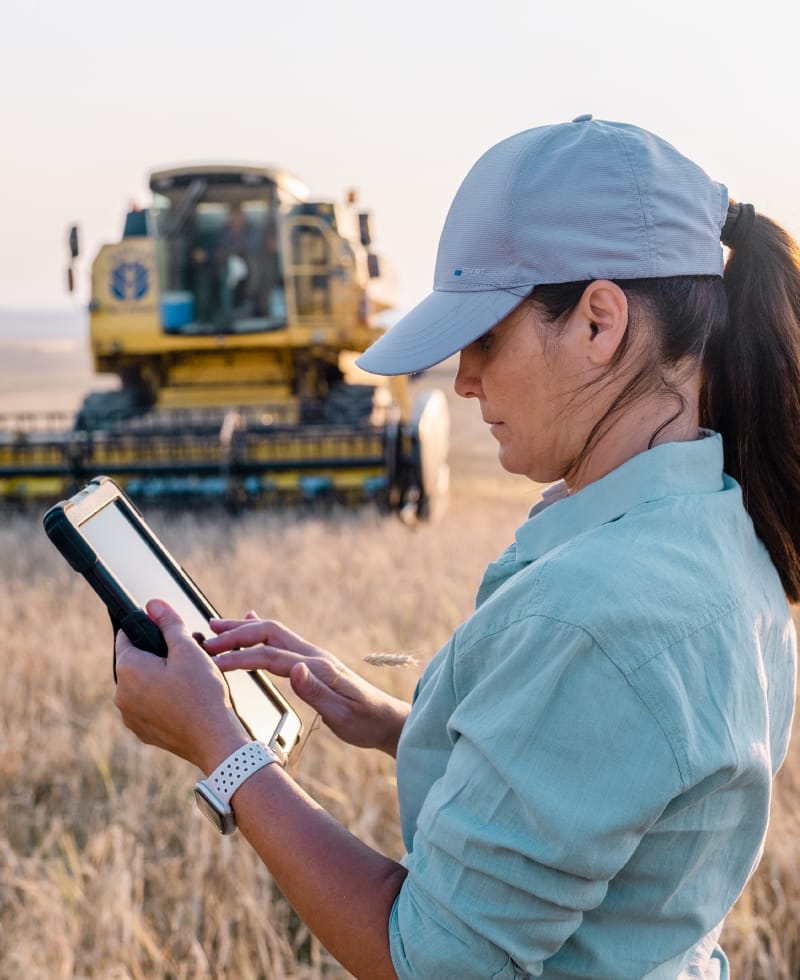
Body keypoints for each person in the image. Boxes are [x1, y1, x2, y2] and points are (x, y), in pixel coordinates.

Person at [114, 115, 800, 978]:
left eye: (484, 339)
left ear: (599, 322)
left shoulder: (594, 614)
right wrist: (405, 724)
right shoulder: (723, 526)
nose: (464, 379)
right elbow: (609, 789)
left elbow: (429, 959)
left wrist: (223, 748)